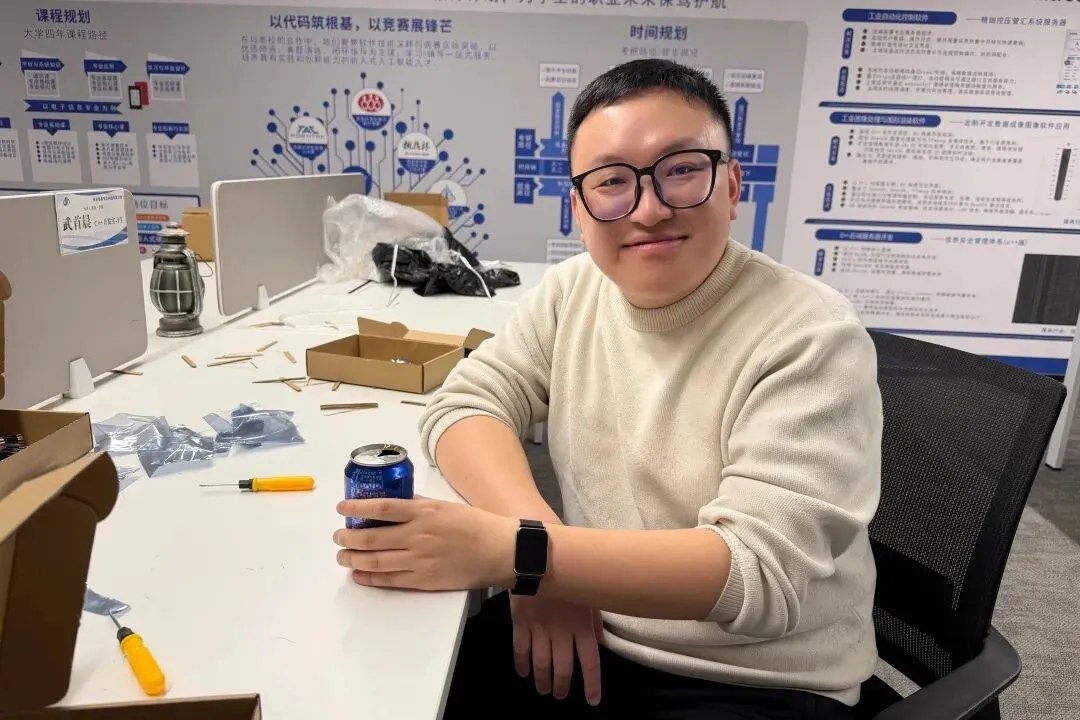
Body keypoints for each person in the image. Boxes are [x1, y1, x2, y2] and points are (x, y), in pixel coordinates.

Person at [331, 59, 883, 720]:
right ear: (579, 207)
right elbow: (466, 402)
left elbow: (754, 574)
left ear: (732, 186)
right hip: (589, 620)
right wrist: (538, 556)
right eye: (613, 181)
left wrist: (527, 557)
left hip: (752, 678)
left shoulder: (811, 335)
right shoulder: (575, 290)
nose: (648, 209)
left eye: (682, 169)